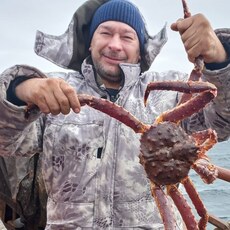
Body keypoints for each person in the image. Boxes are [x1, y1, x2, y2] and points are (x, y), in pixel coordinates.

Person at [0, 0, 230, 229]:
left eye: (127, 37)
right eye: (105, 33)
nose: (115, 45)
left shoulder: (173, 94)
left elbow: (222, 121)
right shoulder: (57, 92)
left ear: (141, 51)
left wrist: (220, 59)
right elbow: (6, 143)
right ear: (89, 43)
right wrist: (19, 91)